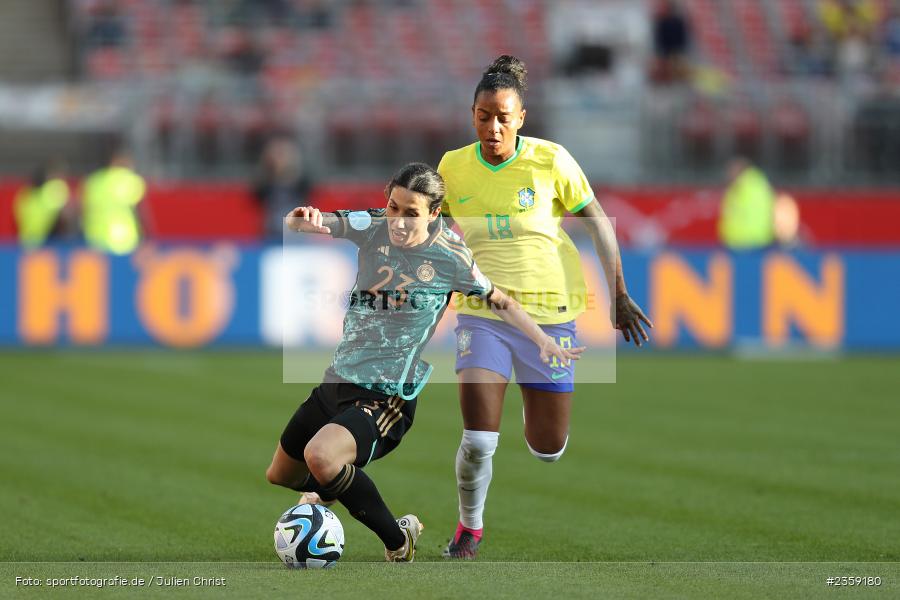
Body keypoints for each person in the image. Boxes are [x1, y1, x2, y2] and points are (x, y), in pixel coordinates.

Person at [265, 162, 583, 562]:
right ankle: (330, 487)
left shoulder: (451, 256)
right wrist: (303, 219)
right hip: (336, 380)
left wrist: (541, 339)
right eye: (394, 206)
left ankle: (398, 541)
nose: (397, 220)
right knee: (281, 475)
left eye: (410, 212)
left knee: (322, 457)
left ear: (434, 213)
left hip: (386, 396)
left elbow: (498, 300)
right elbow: (317, 224)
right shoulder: (375, 224)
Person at [436, 56, 652, 559]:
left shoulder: (551, 160)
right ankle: (470, 529)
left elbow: (598, 222)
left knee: (548, 448)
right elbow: (429, 227)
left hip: (550, 315)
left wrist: (618, 293)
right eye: (484, 115)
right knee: (478, 442)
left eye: (503, 117)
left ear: (521, 118)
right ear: (472, 114)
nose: (493, 127)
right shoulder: (452, 166)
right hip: (483, 309)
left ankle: (539, 426)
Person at [81, 149, 147, 255]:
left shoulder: (94, 181)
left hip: (96, 239)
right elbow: (141, 211)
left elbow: (84, 209)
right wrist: (147, 237)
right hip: (124, 239)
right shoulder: (130, 180)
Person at [253, 137, 313, 239]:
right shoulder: (267, 182)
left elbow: (307, 192)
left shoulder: (301, 181)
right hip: (272, 230)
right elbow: (257, 196)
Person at [717, 157, 775, 250]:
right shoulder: (757, 183)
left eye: (730, 170)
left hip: (746, 243)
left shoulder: (744, 186)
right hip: (756, 240)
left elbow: (737, 213)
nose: (728, 174)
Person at [14, 163, 71, 249]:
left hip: (27, 243)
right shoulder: (53, 191)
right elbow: (67, 214)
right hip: (46, 245)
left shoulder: (24, 195)